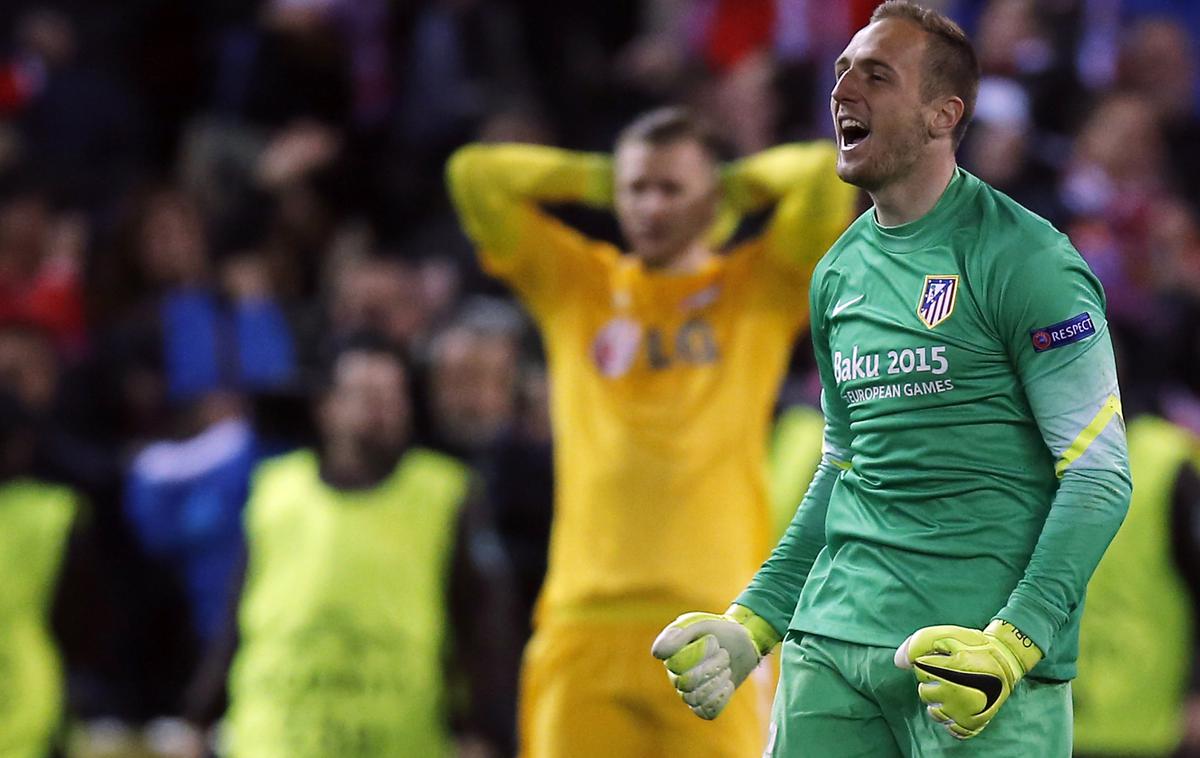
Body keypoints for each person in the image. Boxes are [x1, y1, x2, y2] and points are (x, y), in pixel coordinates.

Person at [652, 3, 1132, 756]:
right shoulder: (837, 272)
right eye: (841, 71)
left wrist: (1014, 642)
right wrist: (756, 619)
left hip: (971, 668)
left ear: (944, 113)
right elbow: (843, 465)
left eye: (877, 75)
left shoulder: (1028, 260)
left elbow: (1099, 475)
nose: (844, 90)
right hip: (830, 650)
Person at [446, 107, 856, 757]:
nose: (650, 206)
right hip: (581, 625)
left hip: (717, 625)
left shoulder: (755, 287)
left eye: (671, 189)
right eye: (636, 189)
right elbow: (475, 175)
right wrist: (595, 178)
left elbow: (821, 175)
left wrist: (735, 185)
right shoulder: (577, 282)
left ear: (711, 200)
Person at [186, 336, 518, 757]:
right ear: (327, 408)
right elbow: (236, 615)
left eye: (392, 397)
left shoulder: (444, 493)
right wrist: (200, 716)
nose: (381, 412)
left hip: (396, 741)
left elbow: (483, 623)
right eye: (366, 395)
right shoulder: (277, 489)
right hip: (276, 738)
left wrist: (486, 729)